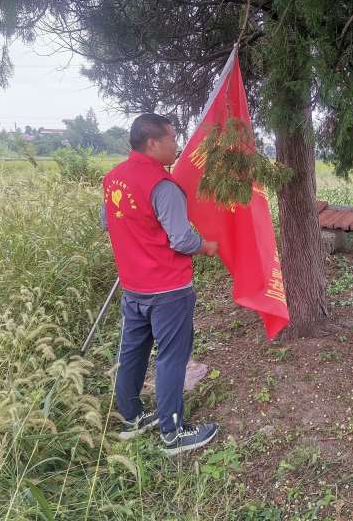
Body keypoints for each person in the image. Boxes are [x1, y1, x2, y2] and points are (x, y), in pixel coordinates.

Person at [101, 113, 220, 455]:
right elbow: (181, 239)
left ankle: (132, 418)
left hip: (133, 287)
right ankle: (173, 433)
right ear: (153, 143)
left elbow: (108, 222)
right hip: (168, 290)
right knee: (171, 357)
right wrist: (206, 246)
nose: (176, 145)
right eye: (172, 139)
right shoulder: (162, 185)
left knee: (132, 351)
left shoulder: (112, 179)